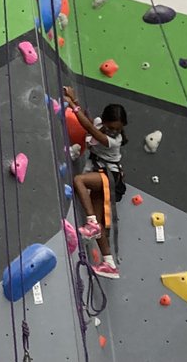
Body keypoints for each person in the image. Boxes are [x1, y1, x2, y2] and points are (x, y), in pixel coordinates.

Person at [64, 86, 127, 279]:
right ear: (105, 120)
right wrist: (74, 101)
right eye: (111, 126)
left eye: (118, 128)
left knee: (79, 181)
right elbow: (92, 124)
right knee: (100, 224)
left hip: (109, 176)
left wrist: (73, 106)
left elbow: (89, 129)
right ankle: (109, 263)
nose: (114, 130)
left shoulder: (114, 140)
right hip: (102, 174)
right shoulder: (100, 123)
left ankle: (91, 223)